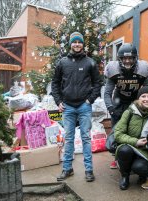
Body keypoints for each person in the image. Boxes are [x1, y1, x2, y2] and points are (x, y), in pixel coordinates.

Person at [52, 32, 102, 182]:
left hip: (84, 106)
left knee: (86, 138)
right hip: (67, 107)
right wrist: (58, 101)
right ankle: (67, 169)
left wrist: (90, 100)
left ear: (82, 44)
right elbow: (55, 83)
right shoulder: (62, 63)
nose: (77, 45)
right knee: (69, 138)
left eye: (79, 42)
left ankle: (88, 170)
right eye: (74, 42)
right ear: (71, 44)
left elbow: (97, 83)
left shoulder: (90, 63)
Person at [104, 43, 148, 168]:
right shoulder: (113, 70)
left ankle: (135, 154)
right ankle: (117, 157)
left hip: (135, 101)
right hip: (118, 102)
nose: (127, 61)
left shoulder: (142, 69)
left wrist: (144, 104)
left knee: (135, 129)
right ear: (119, 59)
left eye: (130, 58)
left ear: (135, 58)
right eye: (124, 58)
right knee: (117, 131)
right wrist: (111, 108)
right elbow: (107, 92)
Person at [114, 86, 148, 190]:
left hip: (145, 150)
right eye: (143, 96)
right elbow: (118, 134)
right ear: (138, 99)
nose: (146, 99)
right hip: (129, 146)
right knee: (124, 150)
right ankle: (125, 176)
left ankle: (142, 175)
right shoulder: (130, 112)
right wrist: (136, 142)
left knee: (140, 167)